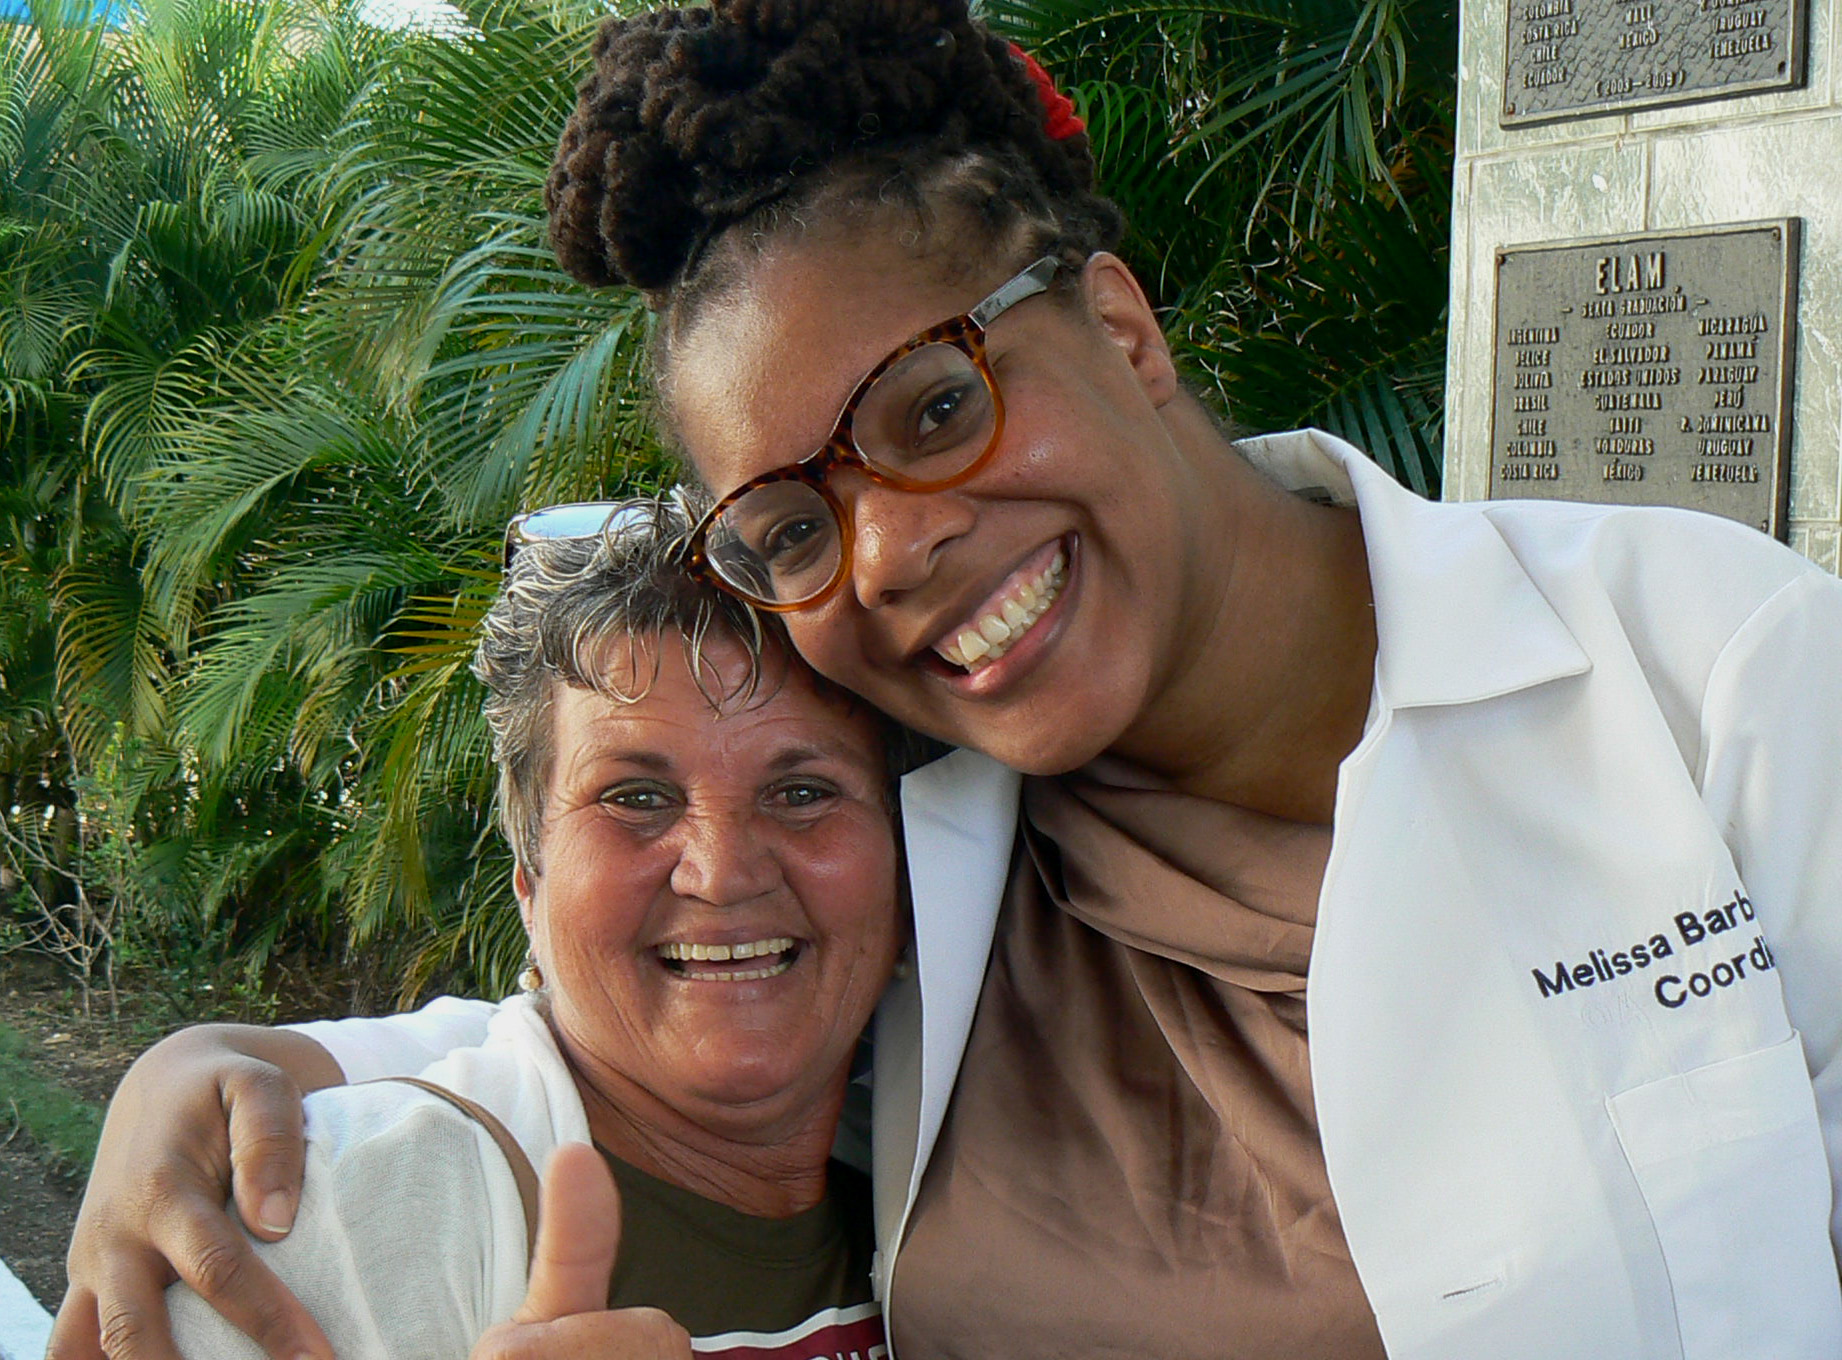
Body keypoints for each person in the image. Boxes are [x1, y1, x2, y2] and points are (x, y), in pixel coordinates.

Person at [54, 2, 1842, 1357]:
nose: (891, 552)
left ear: (1121, 329)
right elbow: (669, 970)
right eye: (791, 522)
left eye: (933, 407)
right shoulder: (930, 817)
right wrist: (230, 1065)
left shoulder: (1708, 682)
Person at [151, 497, 903, 1360]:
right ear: (530, 886)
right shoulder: (344, 1208)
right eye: (636, 798)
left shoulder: (953, 1171)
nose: (722, 872)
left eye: (802, 793)